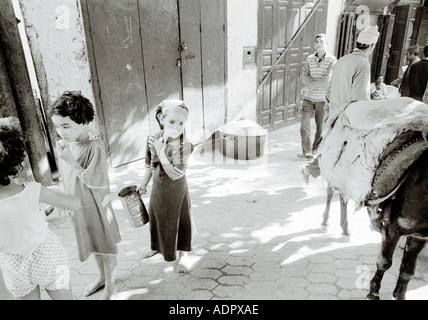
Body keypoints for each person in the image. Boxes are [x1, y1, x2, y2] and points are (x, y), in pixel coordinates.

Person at [49, 91, 121, 300]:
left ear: (83, 121)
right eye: (56, 126)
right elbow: (66, 176)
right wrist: (58, 201)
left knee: (105, 247)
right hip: (78, 207)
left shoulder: (94, 146)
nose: (60, 132)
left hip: (96, 208)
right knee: (93, 244)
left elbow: (97, 182)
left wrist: (71, 160)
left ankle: (111, 286)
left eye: (66, 126)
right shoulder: (68, 144)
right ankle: (101, 277)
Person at [0, 124, 82, 300]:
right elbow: (74, 203)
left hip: (15, 268)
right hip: (51, 257)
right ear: (17, 164)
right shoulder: (32, 190)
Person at [299, 25, 379, 184]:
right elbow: (360, 98)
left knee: (335, 148)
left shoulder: (342, 60)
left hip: (336, 112)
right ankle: (336, 179)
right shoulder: (362, 63)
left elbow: (328, 90)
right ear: (371, 46)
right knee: (350, 150)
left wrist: (331, 110)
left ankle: (311, 168)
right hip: (350, 115)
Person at [137, 99, 194, 274]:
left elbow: (174, 173)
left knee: (180, 220)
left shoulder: (186, 145)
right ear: (162, 119)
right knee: (158, 218)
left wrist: (161, 152)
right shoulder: (152, 139)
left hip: (176, 189)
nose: (176, 127)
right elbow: (149, 165)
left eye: (181, 123)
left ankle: (183, 255)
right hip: (157, 187)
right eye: (171, 121)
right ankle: (157, 247)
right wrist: (143, 183)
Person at [298, 34, 337, 159]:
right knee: (304, 125)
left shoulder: (332, 60)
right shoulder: (309, 59)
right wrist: (313, 84)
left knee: (320, 127)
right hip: (308, 98)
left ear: (327, 44)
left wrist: (309, 85)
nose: (318, 44)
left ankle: (315, 149)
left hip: (322, 99)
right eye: (316, 42)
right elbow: (304, 77)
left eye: (321, 41)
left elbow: (327, 81)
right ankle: (307, 152)